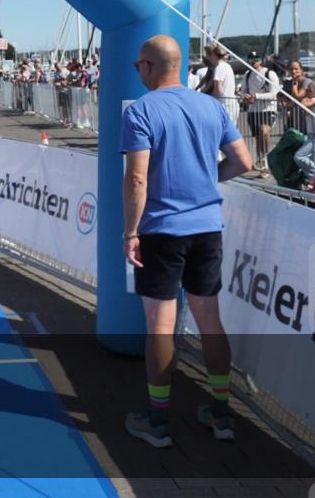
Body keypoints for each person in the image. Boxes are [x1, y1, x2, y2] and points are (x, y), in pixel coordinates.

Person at [121, 36, 253, 448]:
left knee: (160, 327)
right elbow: (244, 161)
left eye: (137, 67)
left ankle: (158, 421)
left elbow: (137, 179)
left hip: (162, 230)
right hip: (207, 228)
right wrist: (206, 181)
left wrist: (131, 232)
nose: (137, 73)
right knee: (210, 321)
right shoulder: (212, 107)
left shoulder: (142, 110)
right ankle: (221, 415)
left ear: (146, 67)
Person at [242, 52, 280, 176]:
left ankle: (266, 160)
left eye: (256, 58)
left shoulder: (270, 73)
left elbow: (274, 93)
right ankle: (262, 164)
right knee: (258, 139)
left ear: (261, 60)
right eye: (251, 59)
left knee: (264, 131)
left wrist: (256, 96)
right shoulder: (247, 75)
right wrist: (246, 97)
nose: (254, 61)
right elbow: (243, 92)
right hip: (253, 111)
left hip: (268, 109)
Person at [293, 81, 315, 190]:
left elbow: (304, 104)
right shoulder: (313, 100)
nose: (308, 91)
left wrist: (300, 94)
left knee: (299, 156)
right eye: (307, 90)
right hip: (312, 135)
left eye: (309, 90)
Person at [197, 44, 239, 123]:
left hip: (224, 105)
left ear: (214, 55)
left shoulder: (219, 68)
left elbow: (218, 90)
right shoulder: (227, 66)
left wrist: (207, 96)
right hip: (231, 104)